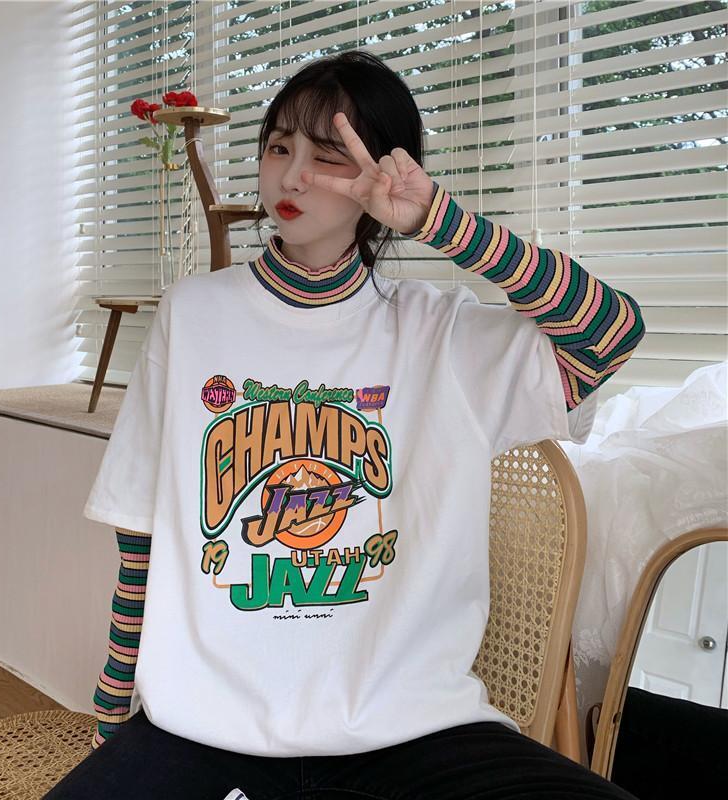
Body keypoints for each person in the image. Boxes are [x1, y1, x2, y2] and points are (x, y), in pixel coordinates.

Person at [45, 50, 645, 799]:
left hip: (412, 730)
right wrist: (110, 720)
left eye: (327, 157)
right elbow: (140, 533)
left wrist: (441, 222)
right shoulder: (191, 315)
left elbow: (611, 332)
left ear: (382, 173)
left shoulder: (441, 334)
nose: (292, 177)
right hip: (207, 728)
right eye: (278, 148)